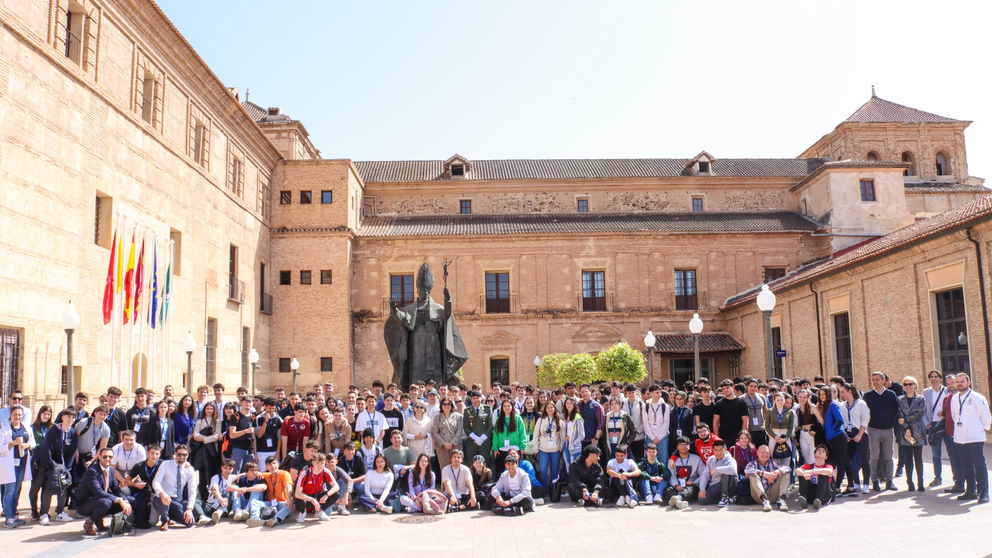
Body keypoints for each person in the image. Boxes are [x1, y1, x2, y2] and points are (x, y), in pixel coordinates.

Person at [949, 373, 991, 503]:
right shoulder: (954, 398)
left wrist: (982, 428)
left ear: (969, 382)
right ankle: (971, 491)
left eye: (962, 381)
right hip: (960, 438)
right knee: (966, 465)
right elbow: (955, 415)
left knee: (979, 465)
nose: (959, 384)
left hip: (975, 437)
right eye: (957, 382)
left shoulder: (977, 397)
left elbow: (985, 416)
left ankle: (984, 492)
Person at [31, 407, 77, 524]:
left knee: (64, 486)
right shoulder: (54, 430)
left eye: (73, 417)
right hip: (48, 465)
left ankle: (60, 512)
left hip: (63, 467)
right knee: (49, 487)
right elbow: (47, 449)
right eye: (68, 417)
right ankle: (44, 513)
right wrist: (51, 466)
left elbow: (71, 453)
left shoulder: (72, 433)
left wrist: (66, 468)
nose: (70, 420)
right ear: (62, 418)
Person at [75, 447, 134, 535]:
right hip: (85, 504)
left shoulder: (111, 470)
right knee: (106, 502)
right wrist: (119, 500)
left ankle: (99, 519)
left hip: (101, 501)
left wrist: (124, 500)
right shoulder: (92, 472)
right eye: (104, 457)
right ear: (99, 457)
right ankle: (89, 523)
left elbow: (115, 489)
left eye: (110, 457)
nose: (107, 459)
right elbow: (98, 492)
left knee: (131, 500)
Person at [863, 371, 899, 491]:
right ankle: (875, 481)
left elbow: (895, 411)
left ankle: (889, 481)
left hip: (888, 429)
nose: (875, 382)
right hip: (873, 430)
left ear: (884, 380)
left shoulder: (891, 394)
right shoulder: (868, 395)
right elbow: (865, 413)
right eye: (873, 380)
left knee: (889, 457)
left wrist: (889, 422)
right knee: (874, 457)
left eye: (877, 379)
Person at [151, 444, 198, 530]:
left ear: (187, 455)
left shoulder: (190, 469)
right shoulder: (166, 464)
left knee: (190, 522)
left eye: (184, 455)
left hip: (176, 500)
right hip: (161, 498)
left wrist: (189, 509)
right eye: (179, 454)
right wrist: (162, 493)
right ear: (175, 454)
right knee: (164, 501)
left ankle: (168, 515)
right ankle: (164, 521)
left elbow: (192, 490)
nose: (181, 457)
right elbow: (156, 482)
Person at [1, 405, 34, 527]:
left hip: (22, 463)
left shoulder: (26, 428)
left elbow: (33, 442)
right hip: (9, 464)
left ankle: (14, 514)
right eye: (15, 414)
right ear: (10, 415)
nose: (17, 417)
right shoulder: (4, 430)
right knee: (9, 490)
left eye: (19, 415)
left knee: (17, 489)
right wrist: (12, 444)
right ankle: (8, 517)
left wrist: (28, 445)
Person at [811, 386, 847, 494]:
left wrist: (832, 431)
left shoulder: (833, 405)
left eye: (824, 394)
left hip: (838, 437)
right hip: (831, 439)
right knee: (832, 462)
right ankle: (831, 485)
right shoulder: (824, 406)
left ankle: (837, 488)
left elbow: (840, 421)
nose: (822, 396)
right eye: (820, 394)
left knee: (840, 463)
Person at [896, 376, 927, 492]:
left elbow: (920, 413)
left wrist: (906, 419)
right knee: (908, 458)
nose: (908, 386)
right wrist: (906, 427)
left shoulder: (921, 398)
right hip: (905, 431)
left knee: (918, 457)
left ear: (915, 385)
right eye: (906, 384)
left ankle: (921, 482)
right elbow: (899, 415)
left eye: (911, 384)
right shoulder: (899, 399)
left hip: (918, 430)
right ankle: (910, 482)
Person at [922, 370, 949, 488]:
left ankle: (958, 478)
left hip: (947, 424)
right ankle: (937, 477)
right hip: (933, 425)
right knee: (936, 454)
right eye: (931, 377)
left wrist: (944, 413)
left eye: (936, 377)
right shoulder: (926, 392)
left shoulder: (948, 391)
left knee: (953, 453)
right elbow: (922, 409)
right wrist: (927, 423)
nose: (934, 379)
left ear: (940, 379)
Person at [293, 452, 339, 521]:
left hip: (317, 496)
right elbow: (297, 493)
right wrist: (312, 500)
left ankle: (319, 511)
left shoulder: (326, 471)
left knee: (336, 494)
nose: (320, 466)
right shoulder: (304, 473)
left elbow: (336, 486)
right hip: (305, 498)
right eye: (317, 463)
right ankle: (302, 512)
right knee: (298, 499)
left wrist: (326, 495)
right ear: (313, 463)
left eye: (322, 463)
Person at [191, 402, 222, 502]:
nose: (209, 410)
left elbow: (217, 436)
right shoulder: (200, 421)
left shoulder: (217, 421)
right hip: (202, 452)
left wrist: (204, 439)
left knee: (214, 472)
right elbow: (195, 435)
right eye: (207, 408)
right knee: (202, 473)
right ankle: (203, 497)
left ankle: (214, 497)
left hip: (213, 451)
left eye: (211, 409)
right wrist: (208, 439)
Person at [744, 445, 791, 512]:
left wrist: (778, 471)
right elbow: (747, 470)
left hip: (773, 493)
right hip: (759, 496)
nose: (765, 455)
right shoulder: (753, 464)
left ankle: (781, 500)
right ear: (757, 453)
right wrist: (763, 474)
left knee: (785, 473)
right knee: (753, 475)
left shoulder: (773, 463)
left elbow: (788, 468)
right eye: (762, 452)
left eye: (767, 453)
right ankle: (765, 501)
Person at [126, 443, 161, 529]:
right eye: (152, 453)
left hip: (157, 493)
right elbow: (127, 480)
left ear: (160, 455)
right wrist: (136, 484)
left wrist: (187, 464)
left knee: (152, 522)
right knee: (124, 490)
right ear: (147, 453)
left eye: (157, 454)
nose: (154, 456)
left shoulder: (163, 464)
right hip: (144, 491)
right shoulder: (140, 465)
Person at [665, 436, 703, 509]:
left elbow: (703, 474)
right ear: (677, 447)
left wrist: (694, 482)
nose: (683, 447)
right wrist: (677, 486)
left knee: (693, 488)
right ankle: (680, 502)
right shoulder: (672, 461)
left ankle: (678, 498)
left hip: (691, 485)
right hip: (678, 486)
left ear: (689, 447)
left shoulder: (697, 459)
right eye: (681, 445)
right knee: (668, 489)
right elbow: (671, 475)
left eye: (685, 445)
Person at [764, 392, 796, 476]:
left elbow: (791, 427)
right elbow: (767, 427)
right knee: (775, 460)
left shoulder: (790, 412)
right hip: (774, 436)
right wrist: (774, 436)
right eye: (778, 400)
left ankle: (786, 483)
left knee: (786, 460)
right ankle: (776, 482)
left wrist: (786, 438)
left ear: (784, 400)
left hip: (786, 437)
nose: (780, 402)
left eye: (782, 400)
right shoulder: (770, 411)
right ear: (774, 401)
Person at [492, 399, 527, 477]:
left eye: (509, 406)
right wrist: (495, 448)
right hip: (502, 449)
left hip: (515, 449)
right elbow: (495, 435)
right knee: (502, 472)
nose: (507, 408)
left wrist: (522, 446)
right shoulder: (499, 419)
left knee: (515, 470)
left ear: (512, 407)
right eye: (505, 406)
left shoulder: (518, 418)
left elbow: (522, 433)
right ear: (502, 408)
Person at [697, 439, 738, 507]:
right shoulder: (710, 460)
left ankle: (724, 497)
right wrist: (702, 489)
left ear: (725, 449)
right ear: (713, 450)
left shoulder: (730, 460)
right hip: (716, 485)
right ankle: (725, 499)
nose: (718, 453)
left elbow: (733, 470)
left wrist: (716, 470)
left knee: (726, 472)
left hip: (729, 485)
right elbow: (705, 475)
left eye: (721, 450)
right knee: (702, 499)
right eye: (716, 450)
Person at [533, 401, 564, 490]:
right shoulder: (541, 419)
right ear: (545, 409)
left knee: (554, 471)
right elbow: (536, 435)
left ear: (555, 409)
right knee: (543, 470)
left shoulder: (559, 419)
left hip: (556, 450)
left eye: (552, 407)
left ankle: (553, 490)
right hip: (543, 449)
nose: (550, 409)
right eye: (548, 408)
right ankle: (545, 490)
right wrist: (535, 448)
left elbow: (562, 435)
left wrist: (561, 446)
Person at [257, 455, 295, 526]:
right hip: (271, 504)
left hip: (283, 503)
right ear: (266, 467)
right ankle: (256, 519)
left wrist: (289, 498)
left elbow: (288, 486)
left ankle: (276, 519)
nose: (272, 466)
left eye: (274, 463)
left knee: (292, 503)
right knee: (255, 503)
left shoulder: (285, 474)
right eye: (269, 464)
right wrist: (238, 476)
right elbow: (251, 473)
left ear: (278, 464)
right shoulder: (267, 475)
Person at [797, 445, 834, 510]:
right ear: (814, 454)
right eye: (819, 450)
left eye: (823, 451)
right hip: (811, 495)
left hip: (824, 496)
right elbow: (797, 471)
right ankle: (803, 498)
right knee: (802, 474)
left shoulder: (828, 466)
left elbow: (829, 471)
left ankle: (818, 499)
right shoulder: (809, 466)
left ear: (826, 457)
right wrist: (804, 474)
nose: (820, 452)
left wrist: (813, 471)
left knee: (823, 474)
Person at [464, 391, 494, 468]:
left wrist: (482, 438)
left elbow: (490, 425)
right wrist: (475, 438)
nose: (476, 400)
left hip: (484, 442)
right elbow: (466, 427)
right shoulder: (467, 411)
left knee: (486, 463)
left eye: (478, 398)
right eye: (474, 398)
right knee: (472, 464)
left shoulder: (487, 409)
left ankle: (486, 479)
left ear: (481, 398)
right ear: (471, 400)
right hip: (472, 442)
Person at [432, 397, 463, 471]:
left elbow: (459, 431)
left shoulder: (458, 416)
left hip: (455, 445)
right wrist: (444, 443)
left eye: (448, 404)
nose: (446, 406)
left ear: (452, 405)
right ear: (441, 406)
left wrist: (451, 443)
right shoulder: (437, 418)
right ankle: (445, 483)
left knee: (456, 466)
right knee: (445, 468)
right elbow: (435, 432)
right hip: (442, 446)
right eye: (444, 404)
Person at [713, 380, 748, 444]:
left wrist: (743, 436)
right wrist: (716, 437)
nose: (725, 390)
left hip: (738, 437)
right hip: (723, 437)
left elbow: (745, 421)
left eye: (727, 388)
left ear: (733, 387)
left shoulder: (741, 403)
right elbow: (716, 421)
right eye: (723, 389)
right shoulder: (719, 404)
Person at [203, 458, 235, 524]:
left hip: (225, 508)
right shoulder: (216, 477)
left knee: (229, 493)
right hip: (212, 505)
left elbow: (245, 475)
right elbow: (215, 489)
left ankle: (219, 512)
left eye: (230, 468)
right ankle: (205, 516)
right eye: (225, 468)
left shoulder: (233, 477)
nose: (227, 471)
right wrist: (220, 499)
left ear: (233, 469)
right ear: (221, 468)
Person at [560, 397, 584, 476]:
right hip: (566, 445)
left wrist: (574, 442)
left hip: (574, 446)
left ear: (574, 405)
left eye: (571, 403)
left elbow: (582, 434)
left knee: (575, 468)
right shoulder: (565, 417)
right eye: (567, 403)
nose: (569, 405)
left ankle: (576, 486)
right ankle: (570, 486)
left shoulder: (577, 417)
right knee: (568, 468)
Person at [578, 384, 605, 451]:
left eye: (586, 391)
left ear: (590, 392)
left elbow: (601, 423)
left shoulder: (597, 406)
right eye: (582, 392)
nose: (584, 394)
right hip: (579, 441)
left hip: (592, 441)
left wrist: (596, 439)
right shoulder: (578, 405)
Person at [743, 379, 768, 447]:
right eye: (751, 386)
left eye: (755, 386)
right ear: (747, 386)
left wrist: (766, 425)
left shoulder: (761, 397)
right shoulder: (742, 399)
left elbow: (766, 412)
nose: (753, 388)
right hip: (749, 430)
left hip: (761, 429)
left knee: (762, 448)